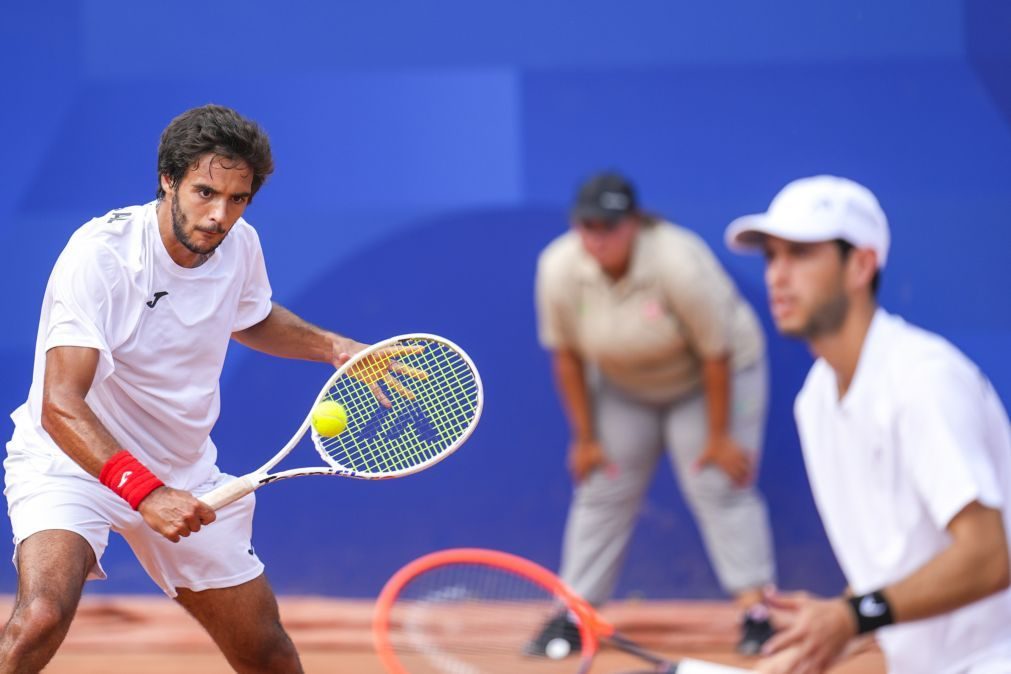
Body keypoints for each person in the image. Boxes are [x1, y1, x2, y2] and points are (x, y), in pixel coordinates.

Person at [0, 104, 386, 673]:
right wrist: (146, 493)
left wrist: (333, 348)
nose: (219, 216)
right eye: (205, 192)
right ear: (168, 180)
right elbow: (61, 405)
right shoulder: (101, 255)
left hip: (184, 472)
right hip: (73, 461)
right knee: (40, 617)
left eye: (237, 199)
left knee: (266, 651)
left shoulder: (239, 245)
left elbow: (250, 316)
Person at [724, 175, 1011, 673]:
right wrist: (824, 631)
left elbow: (990, 557)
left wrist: (852, 617)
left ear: (861, 265)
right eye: (771, 256)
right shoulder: (815, 400)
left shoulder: (923, 380)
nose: (776, 275)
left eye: (800, 254)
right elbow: (895, 565)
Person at [531, 172, 778, 656]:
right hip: (625, 385)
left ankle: (758, 613)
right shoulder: (558, 267)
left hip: (711, 379)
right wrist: (585, 438)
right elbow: (567, 357)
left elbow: (716, 352)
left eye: (609, 225)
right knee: (601, 484)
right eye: (587, 225)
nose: (597, 236)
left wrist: (721, 435)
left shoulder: (678, 261)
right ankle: (573, 616)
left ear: (635, 224)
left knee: (717, 482)